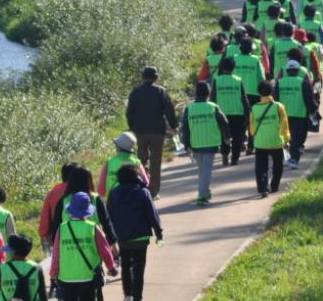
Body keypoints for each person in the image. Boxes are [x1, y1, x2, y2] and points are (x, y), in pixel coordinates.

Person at [49, 192, 118, 301]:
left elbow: (56, 254)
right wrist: (111, 267)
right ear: (89, 211)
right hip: (87, 278)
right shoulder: (93, 228)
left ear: (71, 210)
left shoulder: (62, 228)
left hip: (66, 278)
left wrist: (53, 274)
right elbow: (105, 250)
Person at [106, 164, 163, 301]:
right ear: (136, 176)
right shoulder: (143, 192)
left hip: (122, 237)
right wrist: (159, 233)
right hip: (141, 236)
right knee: (139, 269)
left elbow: (109, 216)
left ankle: (128, 294)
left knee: (125, 265)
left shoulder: (113, 193)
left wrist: (111, 237)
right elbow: (152, 214)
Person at [125, 66, 177, 199]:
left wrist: (132, 126)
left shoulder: (135, 92)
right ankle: (153, 192)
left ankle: (141, 186)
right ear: (156, 77)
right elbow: (169, 109)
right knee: (155, 162)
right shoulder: (161, 91)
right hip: (157, 132)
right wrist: (173, 126)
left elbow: (129, 112)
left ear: (143, 77)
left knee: (141, 160)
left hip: (140, 131)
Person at [180, 82, 230, 205]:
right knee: (206, 170)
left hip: (195, 143)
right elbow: (224, 123)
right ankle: (202, 195)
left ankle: (206, 191)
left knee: (202, 170)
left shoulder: (189, 108)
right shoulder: (213, 107)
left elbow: (185, 128)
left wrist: (186, 144)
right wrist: (226, 137)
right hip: (210, 142)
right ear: (208, 93)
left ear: (196, 93)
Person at [274, 59, 318, 170]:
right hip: (300, 115)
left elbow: (274, 99)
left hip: (283, 115)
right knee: (298, 139)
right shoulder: (303, 83)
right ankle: (294, 159)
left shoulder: (280, 83)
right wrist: (314, 109)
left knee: (285, 137)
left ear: (287, 71)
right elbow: (309, 100)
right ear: (297, 71)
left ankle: (287, 157)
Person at [251, 81, 290, 198]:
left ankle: (263, 188)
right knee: (278, 165)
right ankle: (274, 186)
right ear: (271, 91)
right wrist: (286, 138)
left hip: (260, 143)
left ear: (259, 93)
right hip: (276, 142)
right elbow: (284, 124)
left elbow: (252, 129)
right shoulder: (279, 106)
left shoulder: (254, 108)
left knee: (261, 167)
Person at [212, 56, 250, 165]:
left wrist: (213, 112)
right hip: (238, 113)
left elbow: (213, 98)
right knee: (238, 137)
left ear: (222, 67)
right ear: (234, 67)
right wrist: (248, 114)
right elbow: (244, 99)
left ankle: (224, 154)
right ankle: (235, 158)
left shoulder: (216, 80)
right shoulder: (238, 80)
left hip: (222, 113)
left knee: (224, 135)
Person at [98, 132, 149, 198]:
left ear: (118, 147)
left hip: (113, 202)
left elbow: (101, 190)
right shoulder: (136, 163)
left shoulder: (109, 162)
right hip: (133, 201)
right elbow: (146, 183)